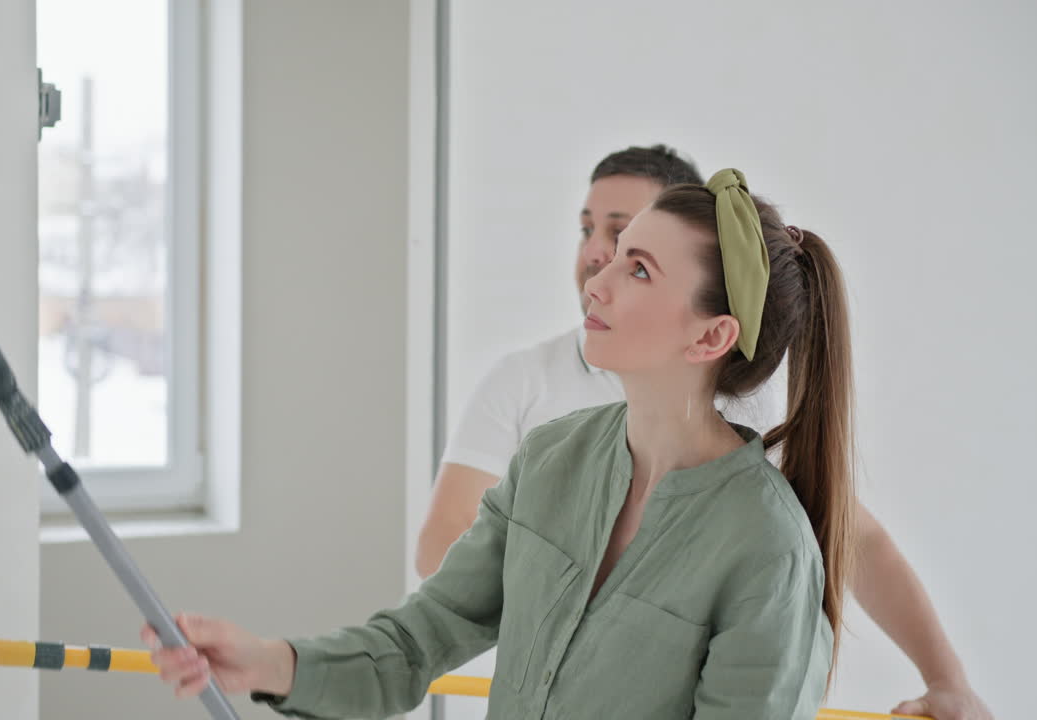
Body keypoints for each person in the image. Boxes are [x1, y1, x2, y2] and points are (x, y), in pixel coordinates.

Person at [146, 169, 853, 718]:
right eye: (608, 255)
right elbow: (418, 642)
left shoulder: (768, 551)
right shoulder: (551, 459)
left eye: (638, 268)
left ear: (710, 336)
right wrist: (268, 662)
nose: (597, 280)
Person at [417, 146, 992, 720]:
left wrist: (948, 681)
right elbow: (443, 543)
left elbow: (854, 539)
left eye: (628, 245)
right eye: (590, 230)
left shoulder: (741, 427)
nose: (596, 254)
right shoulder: (525, 384)